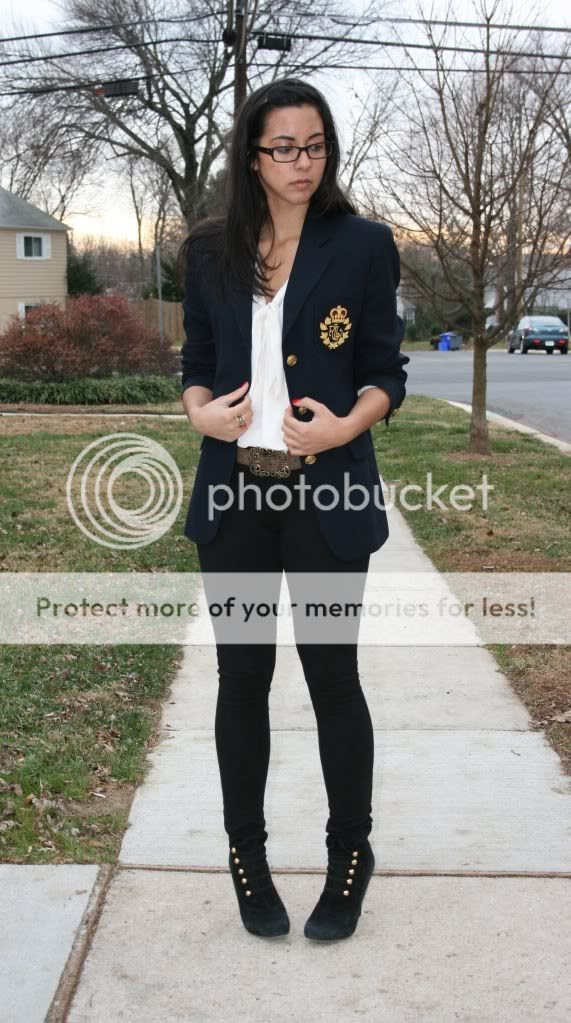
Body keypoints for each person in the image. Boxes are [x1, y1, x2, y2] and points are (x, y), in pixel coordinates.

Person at [178, 77, 409, 942]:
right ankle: (248, 858)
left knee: (330, 676)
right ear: (252, 156)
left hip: (326, 495)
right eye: (283, 148)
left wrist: (345, 424)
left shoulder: (362, 244)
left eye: (315, 146)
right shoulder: (210, 249)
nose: (301, 162)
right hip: (236, 495)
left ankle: (349, 856)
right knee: (242, 679)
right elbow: (196, 362)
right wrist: (201, 413)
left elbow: (384, 371)